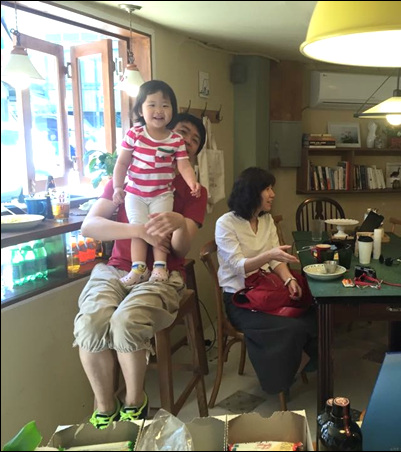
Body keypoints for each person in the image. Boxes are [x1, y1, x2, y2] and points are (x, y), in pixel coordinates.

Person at [73, 112, 208, 429]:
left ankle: (135, 404)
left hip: (164, 273)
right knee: (90, 324)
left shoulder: (193, 191)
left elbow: (180, 250)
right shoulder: (125, 178)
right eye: (183, 132)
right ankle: (105, 408)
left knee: (126, 321)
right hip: (117, 270)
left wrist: (178, 223)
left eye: (195, 141)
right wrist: (138, 231)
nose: (188, 141)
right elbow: (89, 226)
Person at [215, 167, 318, 395]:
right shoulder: (226, 223)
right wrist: (269, 255)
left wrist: (288, 279)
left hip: (265, 291)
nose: (273, 194)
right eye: (268, 189)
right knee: (292, 327)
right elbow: (238, 266)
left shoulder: (266, 219)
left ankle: (295, 365)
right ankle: (281, 380)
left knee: (315, 310)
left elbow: (275, 260)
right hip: (240, 300)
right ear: (252, 192)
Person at [112, 80, 201, 286]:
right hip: (135, 193)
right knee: (138, 229)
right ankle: (139, 269)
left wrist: (192, 182)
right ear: (140, 110)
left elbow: (184, 165)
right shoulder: (134, 134)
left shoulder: (175, 140)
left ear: (172, 111)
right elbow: (122, 162)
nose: (159, 110)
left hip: (162, 194)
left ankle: (160, 267)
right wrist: (117, 187)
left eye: (165, 105)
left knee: (160, 229)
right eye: (152, 104)